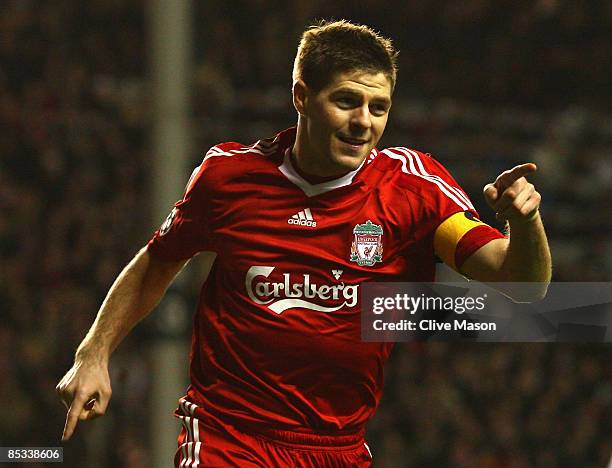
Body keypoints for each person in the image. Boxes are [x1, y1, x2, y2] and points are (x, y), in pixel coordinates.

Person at [56, 20, 551, 467]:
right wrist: (94, 352)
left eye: (378, 108)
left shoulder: (414, 191)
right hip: (230, 436)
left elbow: (523, 286)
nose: (364, 123)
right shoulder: (229, 179)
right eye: (346, 101)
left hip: (339, 447)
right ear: (301, 96)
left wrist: (525, 223)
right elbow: (157, 262)